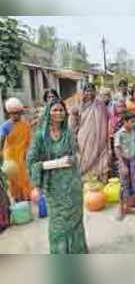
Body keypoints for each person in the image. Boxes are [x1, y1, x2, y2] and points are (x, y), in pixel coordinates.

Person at [28, 99, 88, 254]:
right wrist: (56, 164)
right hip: (53, 185)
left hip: (72, 183)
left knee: (75, 219)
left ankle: (77, 251)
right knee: (58, 222)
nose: (58, 113)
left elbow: (76, 156)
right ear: (48, 112)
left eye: (61, 110)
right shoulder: (40, 136)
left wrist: (73, 160)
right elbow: (32, 161)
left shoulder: (69, 134)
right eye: (55, 110)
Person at [69, 84, 110, 183]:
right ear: (83, 92)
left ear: (95, 92)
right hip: (83, 136)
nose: (89, 93)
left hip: (99, 136)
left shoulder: (100, 105)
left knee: (100, 156)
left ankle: (99, 182)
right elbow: (73, 122)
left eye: (91, 90)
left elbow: (106, 121)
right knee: (84, 156)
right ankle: (85, 182)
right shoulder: (79, 105)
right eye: (87, 91)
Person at [0, 98, 33, 201]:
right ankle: (18, 200)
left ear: (21, 112)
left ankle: (26, 200)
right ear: (9, 114)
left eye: (18, 113)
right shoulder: (5, 126)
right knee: (14, 183)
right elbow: (1, 141)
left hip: (23, 157)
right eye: (13, 113)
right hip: (10, 159)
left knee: (25, 180)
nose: (15, 115)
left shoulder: (25, 125)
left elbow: (29, 142)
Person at [114, 112, 135, 220]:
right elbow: (117, 149)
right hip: (124, 162)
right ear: (125, 121)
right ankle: (120, 209)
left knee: (131, 185)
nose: (133, 123)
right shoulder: (119, 134)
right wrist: (122, 164)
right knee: (123, 186)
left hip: (133, 161)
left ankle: (128, 207)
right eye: (132, 121)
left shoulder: (133, 132)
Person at [109, 98, 127, 177]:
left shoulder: (128, 118)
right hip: (115, 145)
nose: (121, 108)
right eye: (119, 106)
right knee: (117, 165)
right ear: (115, 108)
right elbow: (110, 134)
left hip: (127, 145)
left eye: (123, 106)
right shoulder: (112, 119)